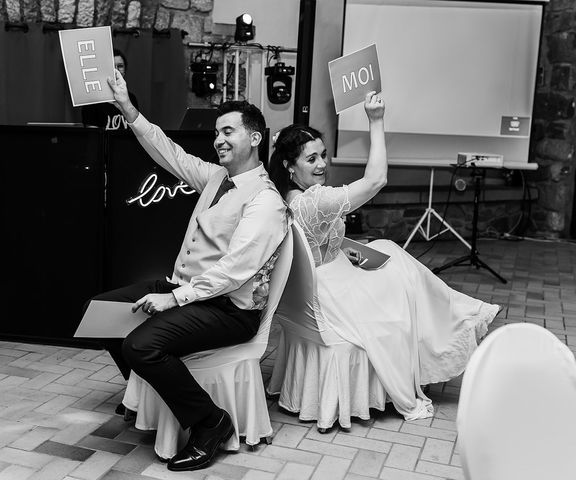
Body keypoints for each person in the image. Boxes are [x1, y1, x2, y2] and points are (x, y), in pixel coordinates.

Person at [88, 69, 289, 471]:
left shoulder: (265, 201)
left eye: (228, 131)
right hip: (189, 291)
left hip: (230, 310)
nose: (218, 140)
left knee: (140, 345)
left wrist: (174, 297)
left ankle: (210, 422)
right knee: (103, 315)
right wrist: (128, 108)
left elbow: (235, 272)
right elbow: (171, 154)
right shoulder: (217, 177)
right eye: (216, 132)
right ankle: (152, 390)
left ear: (255, 138)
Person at [268, 91, 500, 422]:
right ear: (290, 167)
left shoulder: (290, 197)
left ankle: (459, 314)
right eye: (311, 159)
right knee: (404, 283)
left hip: (319, 284)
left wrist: (351, 250)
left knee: (388, 254)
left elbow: (316, 245)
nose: (322, 165)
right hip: (330, 295)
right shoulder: (314, 201)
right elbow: (376, 180)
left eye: (323, 155)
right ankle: (459, 318)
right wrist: (375, 120)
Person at [81, 49, 139, 130]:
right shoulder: (92, 101)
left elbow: (137, 130)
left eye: (120, 66)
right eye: (111, 66)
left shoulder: (131, 98)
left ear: (125, 71)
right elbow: (92, 136)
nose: (116, 70)